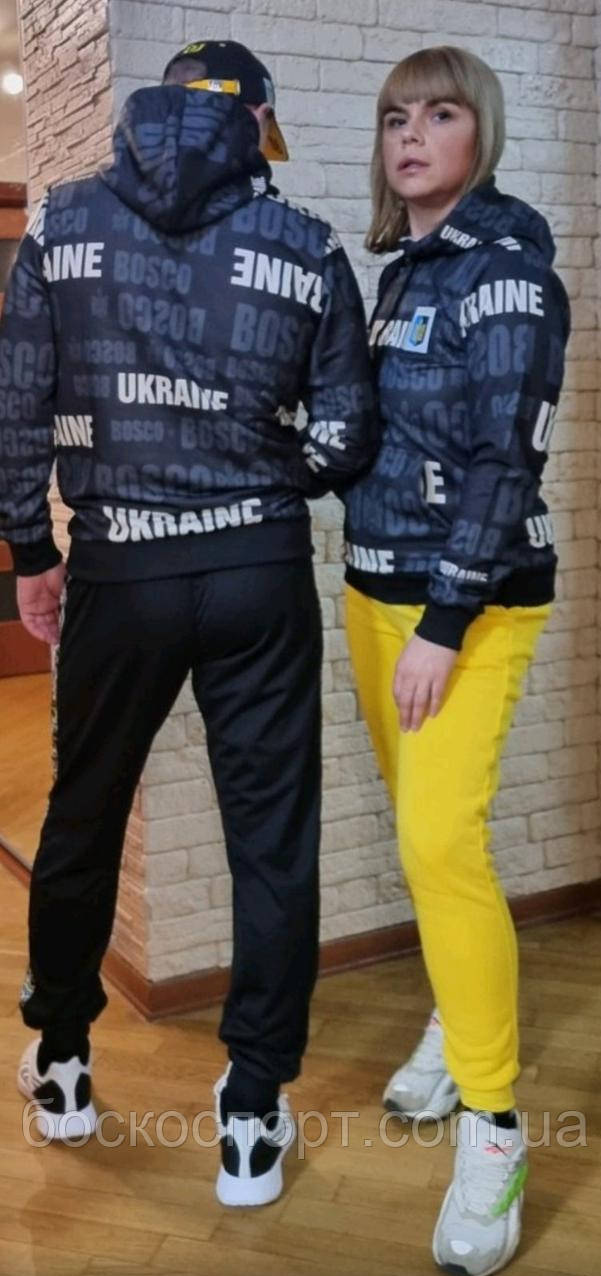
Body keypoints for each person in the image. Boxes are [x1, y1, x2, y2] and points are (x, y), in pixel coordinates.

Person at [0, 38, 378, 1206]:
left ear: (155, 110)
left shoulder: (60, 224)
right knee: (271, 841)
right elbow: (346, 434)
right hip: (257, 571)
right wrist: (262, 477)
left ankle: (64, 1062)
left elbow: (18, 402)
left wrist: (29, 553)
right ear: (256, 119)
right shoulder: (306, 244)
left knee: (83, 812)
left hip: (121, 571)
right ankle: (252, 1113)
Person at [343, 46, 569, 1276]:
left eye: (437, 114)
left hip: (464, 610)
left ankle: (493, 1126)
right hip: (371, 591)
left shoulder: (509, 274)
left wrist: (441, 621)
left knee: (439, 842)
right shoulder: (400, 276)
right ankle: (452, 1009)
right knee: (420, 832)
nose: (410, 135)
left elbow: (503, 460)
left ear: (478, 131)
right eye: (395, 117)